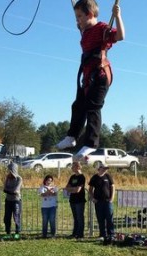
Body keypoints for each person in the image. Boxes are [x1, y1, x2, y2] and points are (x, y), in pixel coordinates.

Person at [56, 0, 125, 158]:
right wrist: (79, 18)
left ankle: (90, 143)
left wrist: (118, 16)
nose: (77, 20)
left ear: (90, 14)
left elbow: (121, 36)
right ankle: (72, 136)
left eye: (80, 16)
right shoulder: (84, 30)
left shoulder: (102, 29)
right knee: (78, 106)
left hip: (100, 76)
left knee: (93, 108)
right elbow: (80, 20)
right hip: (87, 76)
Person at [89, 163, 115, 242]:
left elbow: (113, 186)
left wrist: (112, 198)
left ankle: (111, 234)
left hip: (107, 201)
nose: (105, 170)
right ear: (99, 168)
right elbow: (90, 189)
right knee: (100, 219)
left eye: (106, 168)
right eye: (104, 168)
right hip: (98, 202)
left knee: (109, 218)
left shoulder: (108, 176)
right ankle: (102, 235)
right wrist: (93, 198)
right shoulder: (94, 177)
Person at [65, 162, 86, 239]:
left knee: (80, 217)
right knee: (75, 217)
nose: (71, 168)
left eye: (73, 167)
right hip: (72, 200)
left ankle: (80, 234)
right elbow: (66, 187)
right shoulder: (72, 177)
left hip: (80, 200)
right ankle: (74, 233)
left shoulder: (82, 177)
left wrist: (72, 189)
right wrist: (73, 189)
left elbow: (78, 190)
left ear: (78, 167)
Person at [3, 162, 22, 239]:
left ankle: (17, 232)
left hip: (16, 200)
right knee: (7, 217)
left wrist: (9, 190)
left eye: (10, 170)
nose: (9, 172)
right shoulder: (8, 178)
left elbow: (16, 190)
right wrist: (8, 190)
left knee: (16, 217)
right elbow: (4, 188)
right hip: (8, 200)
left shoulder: (19, 178)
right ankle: (8, 232)